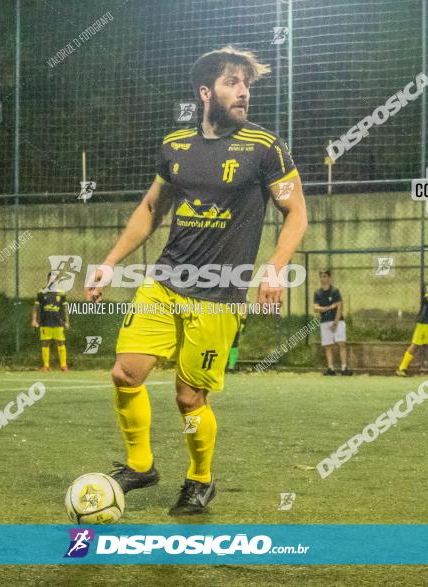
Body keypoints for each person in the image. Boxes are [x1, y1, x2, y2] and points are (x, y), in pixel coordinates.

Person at [85, 46, 307, 515]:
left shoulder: (265, 148)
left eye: (246, 83)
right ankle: (141, 465)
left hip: (221, 291)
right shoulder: (176, 146)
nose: (243, 90)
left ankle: (200, 480)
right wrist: (109, 261)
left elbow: (296, 213)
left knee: (189, 398)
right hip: (164, 281)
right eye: (231, 82)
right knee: (125, 373)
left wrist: (276, 265)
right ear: (205, 92)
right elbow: (150, 209)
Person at [313, 269, 350, 375]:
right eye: (321, 276)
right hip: (325, 322)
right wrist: (329, 307)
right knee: (328, 346)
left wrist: (335, 322)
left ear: (329, 278)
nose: (323, 279)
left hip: (338, 322)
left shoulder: (335, 291)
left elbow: (339, 307)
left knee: (341, 344)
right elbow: (315, 308)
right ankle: (331, 369)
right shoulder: (317, 293)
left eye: (325, 276)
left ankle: (344, 369)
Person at [32, 272, 69, 372]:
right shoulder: (42, 292)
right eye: (50, 279)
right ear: (48, 280)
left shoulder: (61, 293)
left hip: (58, 322)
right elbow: (36, 308)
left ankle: (63, 365)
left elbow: (65, 308)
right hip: (45, 322)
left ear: (57, 281)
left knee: (60, 342)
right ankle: (46, 366)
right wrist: (34, 320)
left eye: (54, 279)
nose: (52, 281)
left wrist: (66, 321)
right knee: (45, 342)